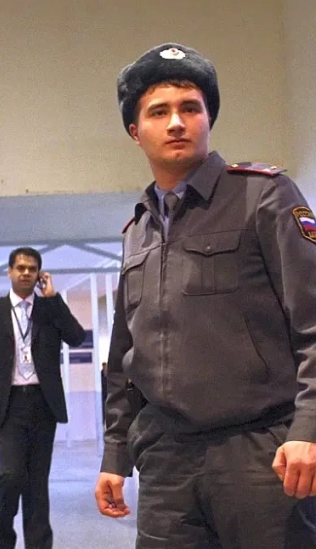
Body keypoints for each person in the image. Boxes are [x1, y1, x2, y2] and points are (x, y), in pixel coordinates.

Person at [95, 42, 316, 548]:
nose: (177, 122)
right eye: (159, 112)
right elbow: (126, 354)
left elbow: (313, 321)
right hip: (166, 460)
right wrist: (115, 453)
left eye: (190, 108)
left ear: (208, 118)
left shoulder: (262, 196)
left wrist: (309, 427)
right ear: (135, 131)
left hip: (260, 452)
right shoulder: (138, 230)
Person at [0, 247, 85, 549]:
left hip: (43, 404)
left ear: (39, 275)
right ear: (9, 271)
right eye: (20, 268)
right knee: (11, 475)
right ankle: (3, 529)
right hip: (10, 405)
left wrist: (54, 299)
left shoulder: (49, 309)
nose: (26, 273)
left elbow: (76, 337)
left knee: (37, 485)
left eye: (32, 269)